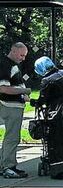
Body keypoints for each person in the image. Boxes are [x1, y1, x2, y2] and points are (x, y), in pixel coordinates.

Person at [0, 42, 31, 178]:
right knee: (12, 138)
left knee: (11, 137)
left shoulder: (11, 65)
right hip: (10, 106)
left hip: (13, 105)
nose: (23, 58)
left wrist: (22, 95)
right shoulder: (5, 65)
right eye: (21, 55)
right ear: (13, 51)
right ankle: (9, 167)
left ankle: (5, 166)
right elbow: (4, 88)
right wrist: (26, 90)